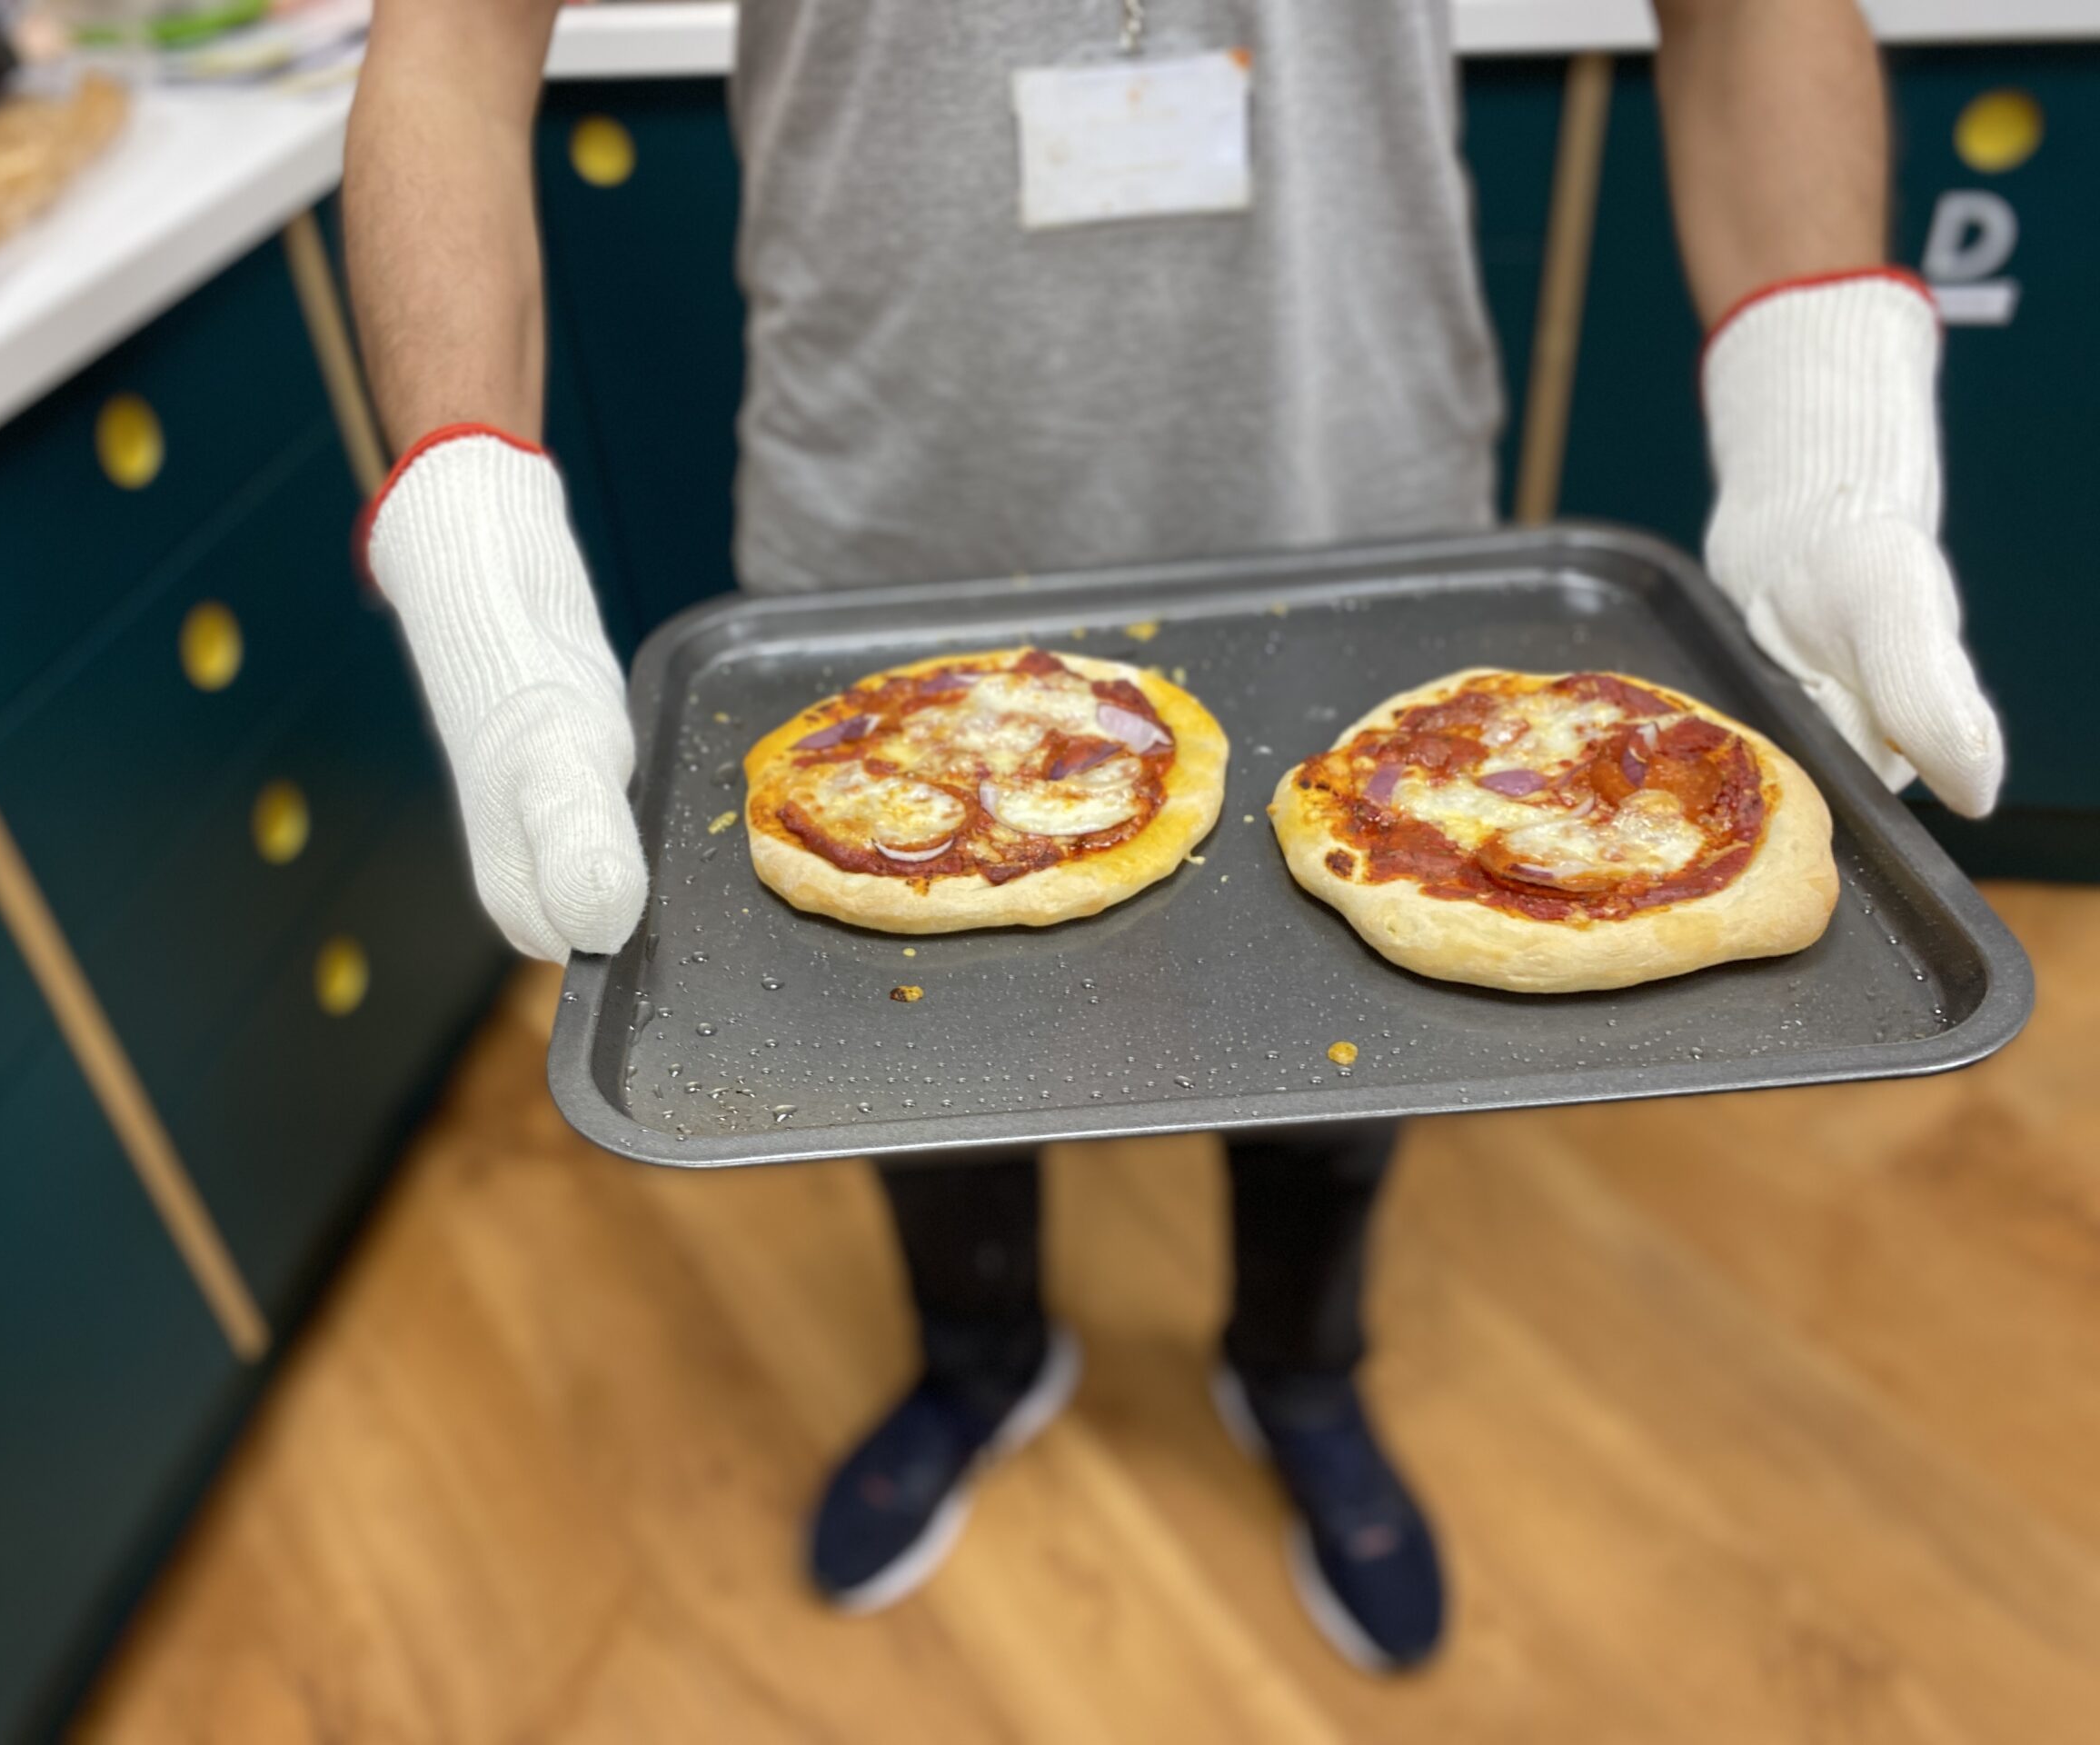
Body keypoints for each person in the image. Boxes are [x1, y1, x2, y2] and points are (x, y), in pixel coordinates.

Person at [343, 0, 2004, 1672]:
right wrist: (470, 530)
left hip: (1358, 500)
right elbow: (452, 46)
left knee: (1345, 1053)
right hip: (887, 529)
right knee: (919, 1069)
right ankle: (979, 1357)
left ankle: (1296, 1366)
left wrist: (1824, 428)